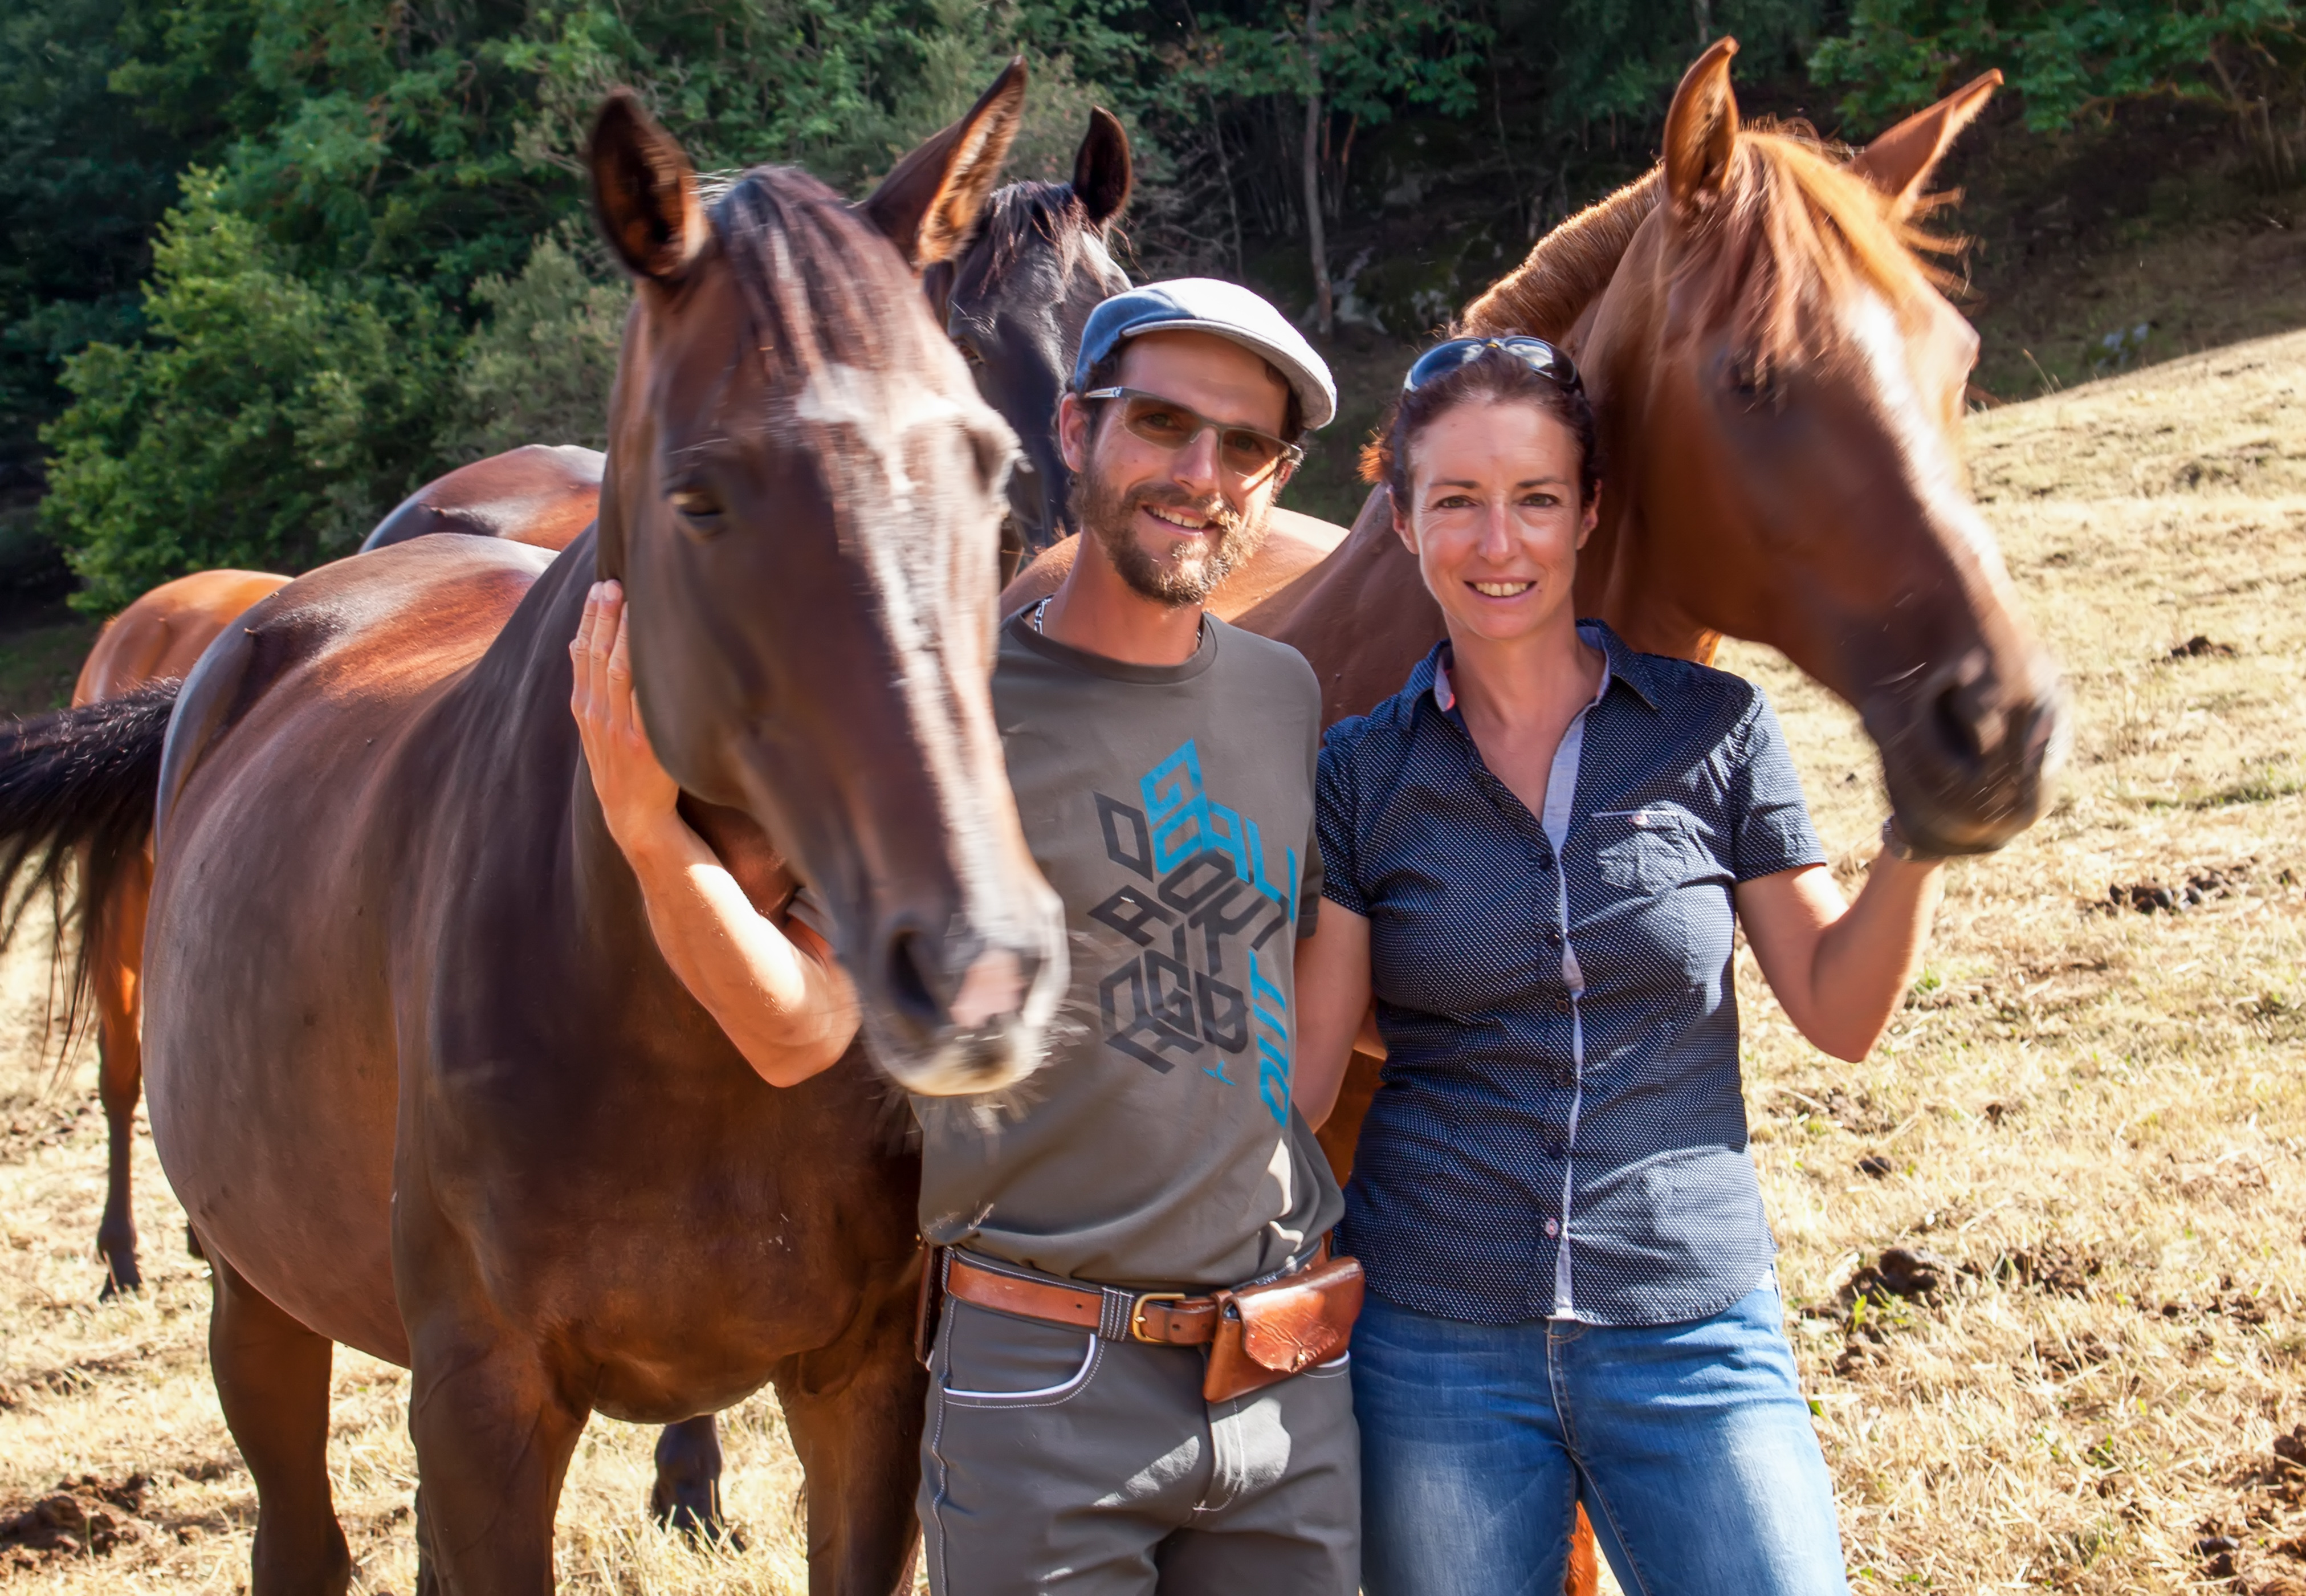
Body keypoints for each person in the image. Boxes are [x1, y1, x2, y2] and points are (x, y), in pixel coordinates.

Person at [569, 279, 1362, 1595]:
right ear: (1072, 426)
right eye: (1161, 421)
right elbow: (797, 1030)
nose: (1201, 473)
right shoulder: (949, 712)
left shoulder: (1285, 698)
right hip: (1051, 1387)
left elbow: (1298, 1064)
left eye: (1246, 447)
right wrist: (652, 836)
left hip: (1283, 1389)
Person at [1290, 336, 1949, 1596]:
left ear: (1588, 510)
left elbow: (1839, 1007)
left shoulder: (1713, 729)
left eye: (1537, 498)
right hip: (1437, 1336)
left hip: (1690, 1321)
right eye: (1458, 502)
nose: (1501, 544)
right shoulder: (1360, 771)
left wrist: (1919, 839)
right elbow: (1310, 1075)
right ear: (1401, 515)